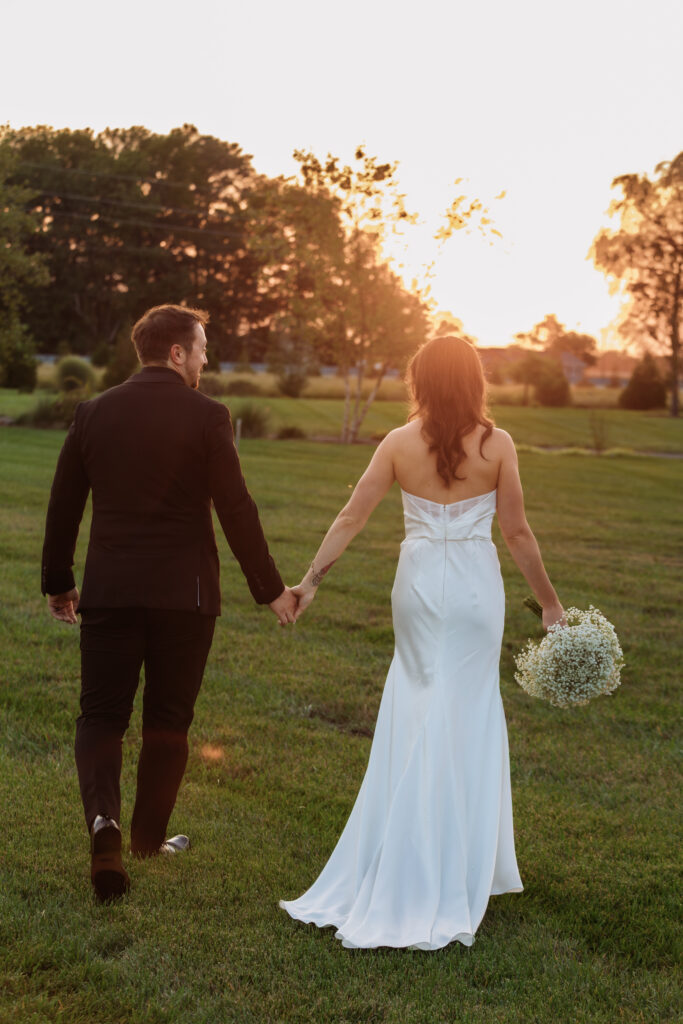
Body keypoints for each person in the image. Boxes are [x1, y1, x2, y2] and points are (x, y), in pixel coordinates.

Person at [279, 335, 564, 950]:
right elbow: (515, 532)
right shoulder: (497, 444)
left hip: (416, 592)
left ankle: (411, 852)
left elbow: (351, 516)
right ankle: (456, 862)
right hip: (472, 593)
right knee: (467, 713)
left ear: (421, 383)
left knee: (416, 707)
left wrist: (310, 581)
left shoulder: (397, 443)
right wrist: (548, 603)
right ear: (474, 383)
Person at [41, 304, 297, 903]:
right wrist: (271, 591)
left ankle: (103, 827)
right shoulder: (209, 416)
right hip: (187, 598)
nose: (207, 358)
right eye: (202, 347)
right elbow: (236, 508)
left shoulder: (92, 414)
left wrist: (59, 581)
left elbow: (63, 505)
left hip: (111, 594)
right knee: (167, 720)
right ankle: (147, 839)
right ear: (177, 352)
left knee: (101, 716)